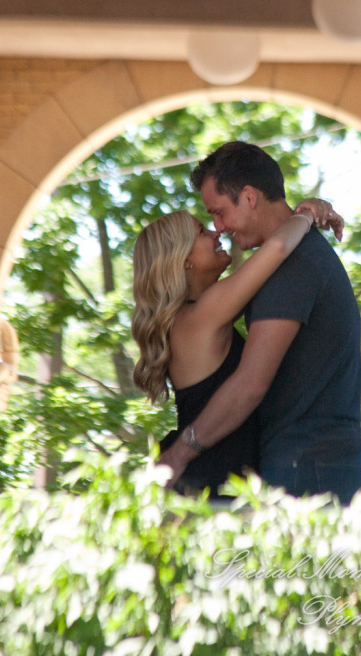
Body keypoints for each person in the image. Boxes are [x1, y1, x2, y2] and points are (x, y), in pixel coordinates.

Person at [158, 141, 361, 505]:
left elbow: (251, 384)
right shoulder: (294, 257)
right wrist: (305, 213)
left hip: (305, 467)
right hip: (311, 462)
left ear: (250, 197)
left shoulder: (291, 266)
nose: (218, 227)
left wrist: (177, 455)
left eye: (220, 212)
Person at [131, 193, 342, 498]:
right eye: (202, 232)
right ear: (184, 259)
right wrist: (307, 214)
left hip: (217, 480)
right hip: (210, 483)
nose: (217, 232)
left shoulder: (192, 318)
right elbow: (278, 247)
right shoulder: (197, 318)